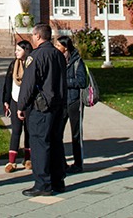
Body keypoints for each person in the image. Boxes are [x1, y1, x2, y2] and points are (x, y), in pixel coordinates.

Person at [17, 23, 67, 196]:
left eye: (33, 35)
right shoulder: (58, 54)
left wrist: (21, 105)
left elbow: (28, 84)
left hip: (42, 108)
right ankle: (58, 181)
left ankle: (42, 184)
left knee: (39, 144)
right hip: (58, 106)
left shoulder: (36, 56)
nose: (32, 38)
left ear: (38, 36)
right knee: (56, 143)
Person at [56, 35, 87, 173]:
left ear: (65, 47)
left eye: (58, 45)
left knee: (76, 134)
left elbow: (82, 82)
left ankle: (78, 163)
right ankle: (61, 163)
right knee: (57, 134)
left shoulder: (77, 62)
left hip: (74, 102)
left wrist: (64, 82)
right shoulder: (57, 60)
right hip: (61, 102)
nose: (56, 48)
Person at [2, 40, 33, 173]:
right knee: (16, 130)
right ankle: (11, 161)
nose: (16, 52)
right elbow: (8, 83)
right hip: (15, 100)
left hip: (28, 102)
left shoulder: (31, 65)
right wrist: (6, 100)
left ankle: (28, 159)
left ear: (26, 50)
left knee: (29, 131)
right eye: (16, 50)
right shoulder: (13, 64)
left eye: (18, 50)